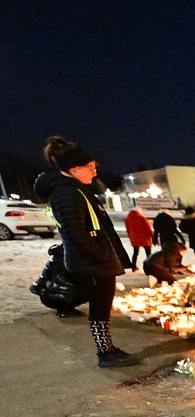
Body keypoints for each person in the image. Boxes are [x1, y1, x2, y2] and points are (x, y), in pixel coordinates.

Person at [34, 136, 139, 368]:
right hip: (90, 263)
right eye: (91, 168)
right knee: (100, 308)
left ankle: (107, 348)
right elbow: (76, 234)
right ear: (74, 168)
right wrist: (101, 257)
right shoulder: (65, 194)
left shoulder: (77, 189)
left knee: (103, 306)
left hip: (95, 260)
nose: (94, 172)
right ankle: (105, 353)